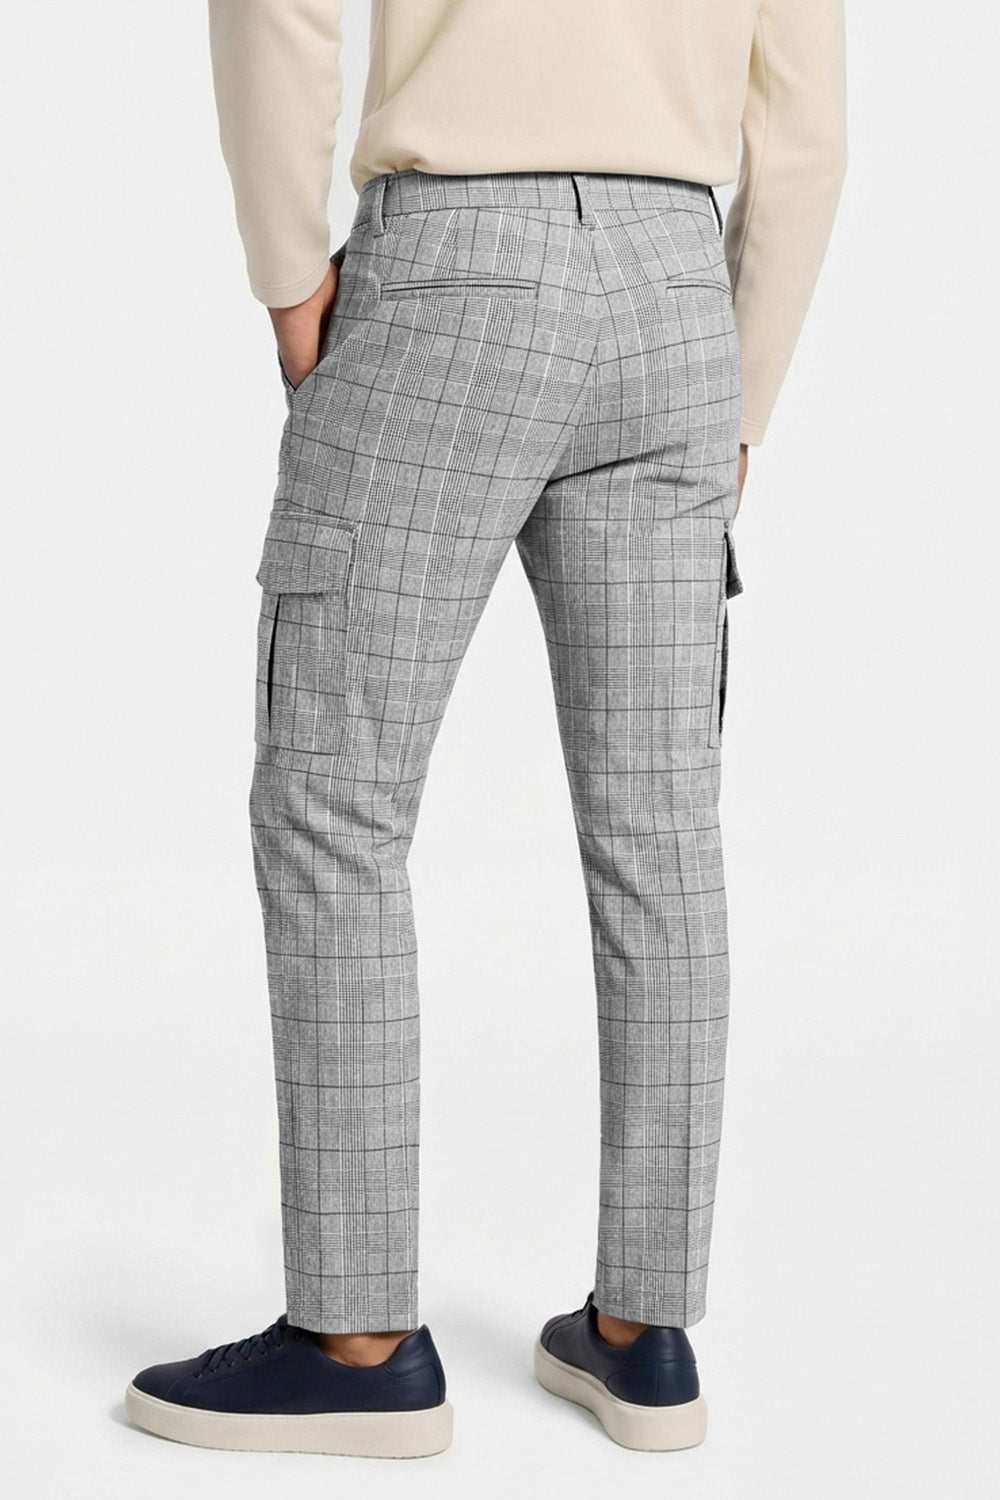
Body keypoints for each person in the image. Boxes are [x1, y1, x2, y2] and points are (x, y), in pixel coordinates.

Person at [125, 0, 846, 1458]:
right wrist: (745, 386)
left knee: (335, 802)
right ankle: (645, 1333)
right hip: (677, 293)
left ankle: (355, 1339)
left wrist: (286, 271)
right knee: (661, 832)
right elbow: (807, 126)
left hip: (454, 267)